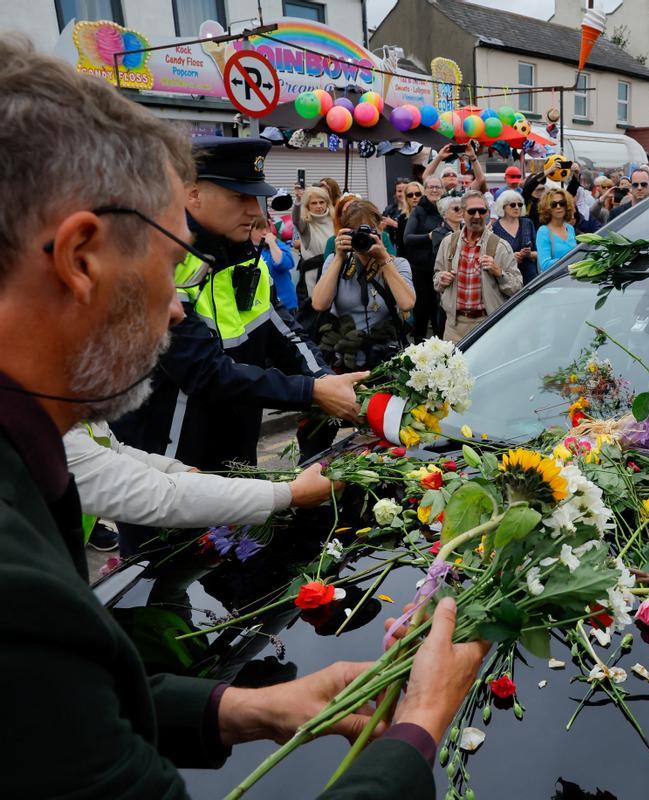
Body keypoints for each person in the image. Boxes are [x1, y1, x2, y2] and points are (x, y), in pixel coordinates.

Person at [0, 35, 486, 798]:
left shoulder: (34, 443)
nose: (179, 305)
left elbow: (57, 717)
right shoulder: (15, 588)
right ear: (80, 259)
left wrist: (242, 709)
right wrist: (420, 727)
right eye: (167, 267)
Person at [111, 136, 364, 474]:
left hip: (235, 462)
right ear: (192, 193)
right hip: (167, 470)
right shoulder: (152, 264)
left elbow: (287, 335)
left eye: (255, 196)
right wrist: (312, 391)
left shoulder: (249, 259)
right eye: (240, 196)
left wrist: (327, 379)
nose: (255, 211)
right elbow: (204, 371)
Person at [66, 420, 332, 534]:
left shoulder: (63, 390)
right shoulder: (41, 418)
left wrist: (180, 471)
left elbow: (113, 450)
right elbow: (163, 497)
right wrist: (290, 493)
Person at [311, 199, 416, 372]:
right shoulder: (337, 262)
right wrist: (338, 257)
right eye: (355, 233)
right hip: (344, 358)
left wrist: (383, 259)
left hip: (386, 360)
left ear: (381, 228)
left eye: (368, 231)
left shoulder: (398, 264)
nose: (362, 239)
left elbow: (407, 303)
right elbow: (319, 304)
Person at [433, 191, 523, 343]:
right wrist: (441, 279)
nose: (477, 215)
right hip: (454, 327)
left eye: (481, 211)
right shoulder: (449, 242)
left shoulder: (500, 246)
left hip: (487, 325)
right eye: (471, 211)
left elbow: (517, 287)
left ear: (487, 213)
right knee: (452, 367)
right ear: (462, 213)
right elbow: (436, 279)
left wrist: (499, 273)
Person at [403, 175, 446, 341]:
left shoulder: (446, 208)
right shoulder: (418, 210)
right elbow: (408, 238)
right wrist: (429, 236)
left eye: (438, 187)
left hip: (441, 267)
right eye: (431, 187)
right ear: (425, 190)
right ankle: (419, 351)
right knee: (422, 311)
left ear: (442, 190)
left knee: (440, 311)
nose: (434, 190)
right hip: (421, 269)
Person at [290, 184, 334, 300]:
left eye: (321, 202)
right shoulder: (306, 224)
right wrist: (298, 200)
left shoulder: (334, 220)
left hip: (335, 271)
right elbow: (296, 220)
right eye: (314, 203)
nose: (319, 206)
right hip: (315, 275)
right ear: (308, 206)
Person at [491, 189, 538, 284]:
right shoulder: (494, 228)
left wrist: (529, 254)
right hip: (509, 280)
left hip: (531, 277)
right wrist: (511, 258)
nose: (517, 207)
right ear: (503, 206)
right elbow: (492, 259)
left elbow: (539, 252)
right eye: (512, 205)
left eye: (520, 205)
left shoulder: (527, 223)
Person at [253, 216, 297, 312]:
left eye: (267, 228)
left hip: (286, 304)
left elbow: (285, 264)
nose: (265, 232)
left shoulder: (278, 244)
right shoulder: (247, 251)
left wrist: (272, 244)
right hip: (262, 307)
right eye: (259, 229)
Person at [536, 187, 578, 272]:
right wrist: (571, 263)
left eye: (562, 203)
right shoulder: (543, 231)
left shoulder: (570, 228)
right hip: (555, 281)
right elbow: (545, 265)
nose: (558, 207)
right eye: (553, 204)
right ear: (547, 208)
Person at [381, 179, 419, 257]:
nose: (402, 194)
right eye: (399, 191)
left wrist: (394, 223)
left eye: (405, 191)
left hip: (408, 248)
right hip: (392, 245)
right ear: (395, 193)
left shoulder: (415, 209)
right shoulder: (389, 209)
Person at [430, 194, 464, 263]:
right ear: (444, 214)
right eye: (456, 209)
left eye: (462, 208)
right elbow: (444, 259)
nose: (460, 211)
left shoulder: (468, 230)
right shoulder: (438, 233)